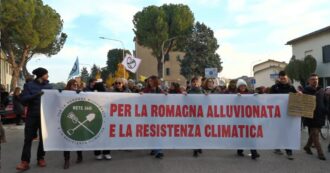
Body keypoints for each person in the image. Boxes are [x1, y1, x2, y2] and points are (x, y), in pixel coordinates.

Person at [16, 67, 52, 171]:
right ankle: (25, 162)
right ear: (41, 75)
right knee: (28, 139)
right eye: (46, 74)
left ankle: (41, 158)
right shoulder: (29, 85)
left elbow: (56, 98)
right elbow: (23, 100)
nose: (48, 76)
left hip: (44, 117)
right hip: (32, 116)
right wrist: (37, 94)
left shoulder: (49, 87)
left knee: (43, 139)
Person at [270, 71, 298, 160]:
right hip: (278, 114)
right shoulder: (274, 88)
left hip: (288, 113)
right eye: (281, 79)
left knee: (285, 132)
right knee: (283, 131)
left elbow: (296, 97)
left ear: (287, 78)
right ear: (279, 78)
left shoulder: (291, 87)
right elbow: (269, 100)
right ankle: (288, 151)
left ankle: (281, 148)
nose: (283, 80)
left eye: (284, 78)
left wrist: (299, 95)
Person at [85, 80, 112, 160]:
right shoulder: (90, 94)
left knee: (104, 136)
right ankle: (102, 153)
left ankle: (103, 153)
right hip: (95, 117)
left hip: (105, 117)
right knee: (98, 135)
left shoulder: (107, 95)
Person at [303, 73, 327, 160]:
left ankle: (307, 147)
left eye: (316, 79)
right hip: (310, 116)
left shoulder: (322, 90)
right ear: (309, 81)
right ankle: (320, 153)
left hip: (320, 116)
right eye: (313, 79)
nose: (315, 80)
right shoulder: (305, 91)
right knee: (315, 134)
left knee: (313, 133)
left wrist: (326, 111)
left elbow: (325, 102)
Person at [235, 79, 260, 160]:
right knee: (242, 135)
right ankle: (240, 150)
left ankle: (254, 153)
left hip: (249, 118)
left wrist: (256, 97)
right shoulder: (235, 94)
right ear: (238, 87)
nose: (242, 87)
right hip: (239, 119)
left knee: (251, 135)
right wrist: (236, 98)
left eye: (244, 85)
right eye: (241, 86)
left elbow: (256, 103)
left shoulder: (250, 94)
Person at [142, 76, 165, 159]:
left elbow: (165, 99)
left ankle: (158, 151)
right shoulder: (146, 90)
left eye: (151, 81)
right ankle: (154, 148)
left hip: (157, 115)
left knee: (157, 132)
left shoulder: (159, 90)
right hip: (148, 114)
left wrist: (166, 95)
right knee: (151, 132)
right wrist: (141, 95)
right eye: (149, 81)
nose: (150, 83)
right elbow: (141, 100)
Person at [63, 79, 83, 169]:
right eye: (73, 85)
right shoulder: (64, 93)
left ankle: (80, 155)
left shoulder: (80, 93)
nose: (75, 86)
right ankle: (66, 160)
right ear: (69, 85)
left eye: (76, 84)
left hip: (78, 117)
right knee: (66, 140)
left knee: (78, 138)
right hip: (67, 119)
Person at [187, 77, 204, 157]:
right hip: (192, 115)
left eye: (196, 81)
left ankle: (199, 146)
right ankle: (195, 149)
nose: (195, 83)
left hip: (201, 115)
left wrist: (207, 96)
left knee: (200, 132)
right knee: (194, 132)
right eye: (193, 82)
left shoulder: (202, 91)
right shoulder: (189, 91)